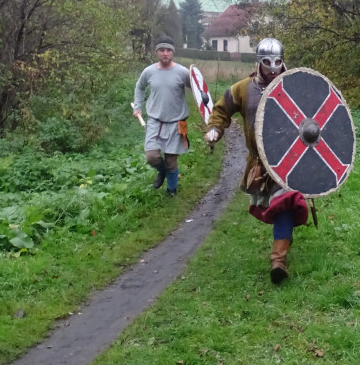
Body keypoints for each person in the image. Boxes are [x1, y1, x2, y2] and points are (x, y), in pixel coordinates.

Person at [204, 38, 310, 285]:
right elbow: (221, 110)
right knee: (279, 206)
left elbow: (314, 116)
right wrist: (215, 130)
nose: (273, 68)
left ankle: (278, 261)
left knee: (285, 202)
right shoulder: (243, 89)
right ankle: (281, 249)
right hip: (260, 163)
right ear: (258, 62)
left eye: (277, 62)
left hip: (290, 159)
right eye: (267, 62)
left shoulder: (295, 86)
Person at [133, 36, 194, 196]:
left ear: (172, 52)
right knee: (151, 157)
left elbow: (198, 90)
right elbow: (139, 87)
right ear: (157, 52)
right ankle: (162, 172)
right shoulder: (149, 71)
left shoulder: (182, 72)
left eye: (168, 50)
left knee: (171, 160)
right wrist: (137, 107)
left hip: (177, 123)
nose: (165, 53)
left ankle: (171, 191)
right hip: (155, 121)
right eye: (162, 50)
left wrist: (204, 102)